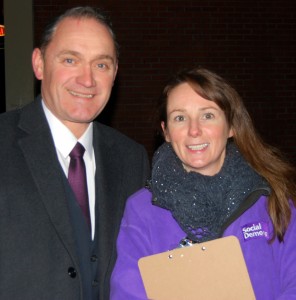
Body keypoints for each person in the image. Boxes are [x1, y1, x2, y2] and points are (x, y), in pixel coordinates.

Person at [0, 6, 150, 300]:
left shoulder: (133, 159)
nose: (87, 80)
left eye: (101, 65)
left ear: (115, 73)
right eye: (70, 60)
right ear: (39, 64)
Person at [110, 67, 296, 299]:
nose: (194, 130)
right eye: (180, 118)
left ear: (231, 126)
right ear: (166, 131)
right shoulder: (142, 210)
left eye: (207, 115)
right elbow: (128, 293)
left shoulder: (271, 198)